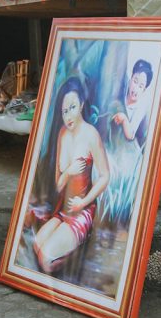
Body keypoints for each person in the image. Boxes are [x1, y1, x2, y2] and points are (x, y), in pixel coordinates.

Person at [33, 78, 110, 273]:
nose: (69, 116)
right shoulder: (62, 134)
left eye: (73, 107)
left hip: (81, 211)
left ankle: (78, 253)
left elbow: (105, 176)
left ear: (82, 104)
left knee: (45, 259)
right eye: (64, 111)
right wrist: (68, 172)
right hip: (62, 210)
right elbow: (58, 186)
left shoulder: (91, 135)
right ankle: (72, 252)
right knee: (36, 245)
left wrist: (82, 204)